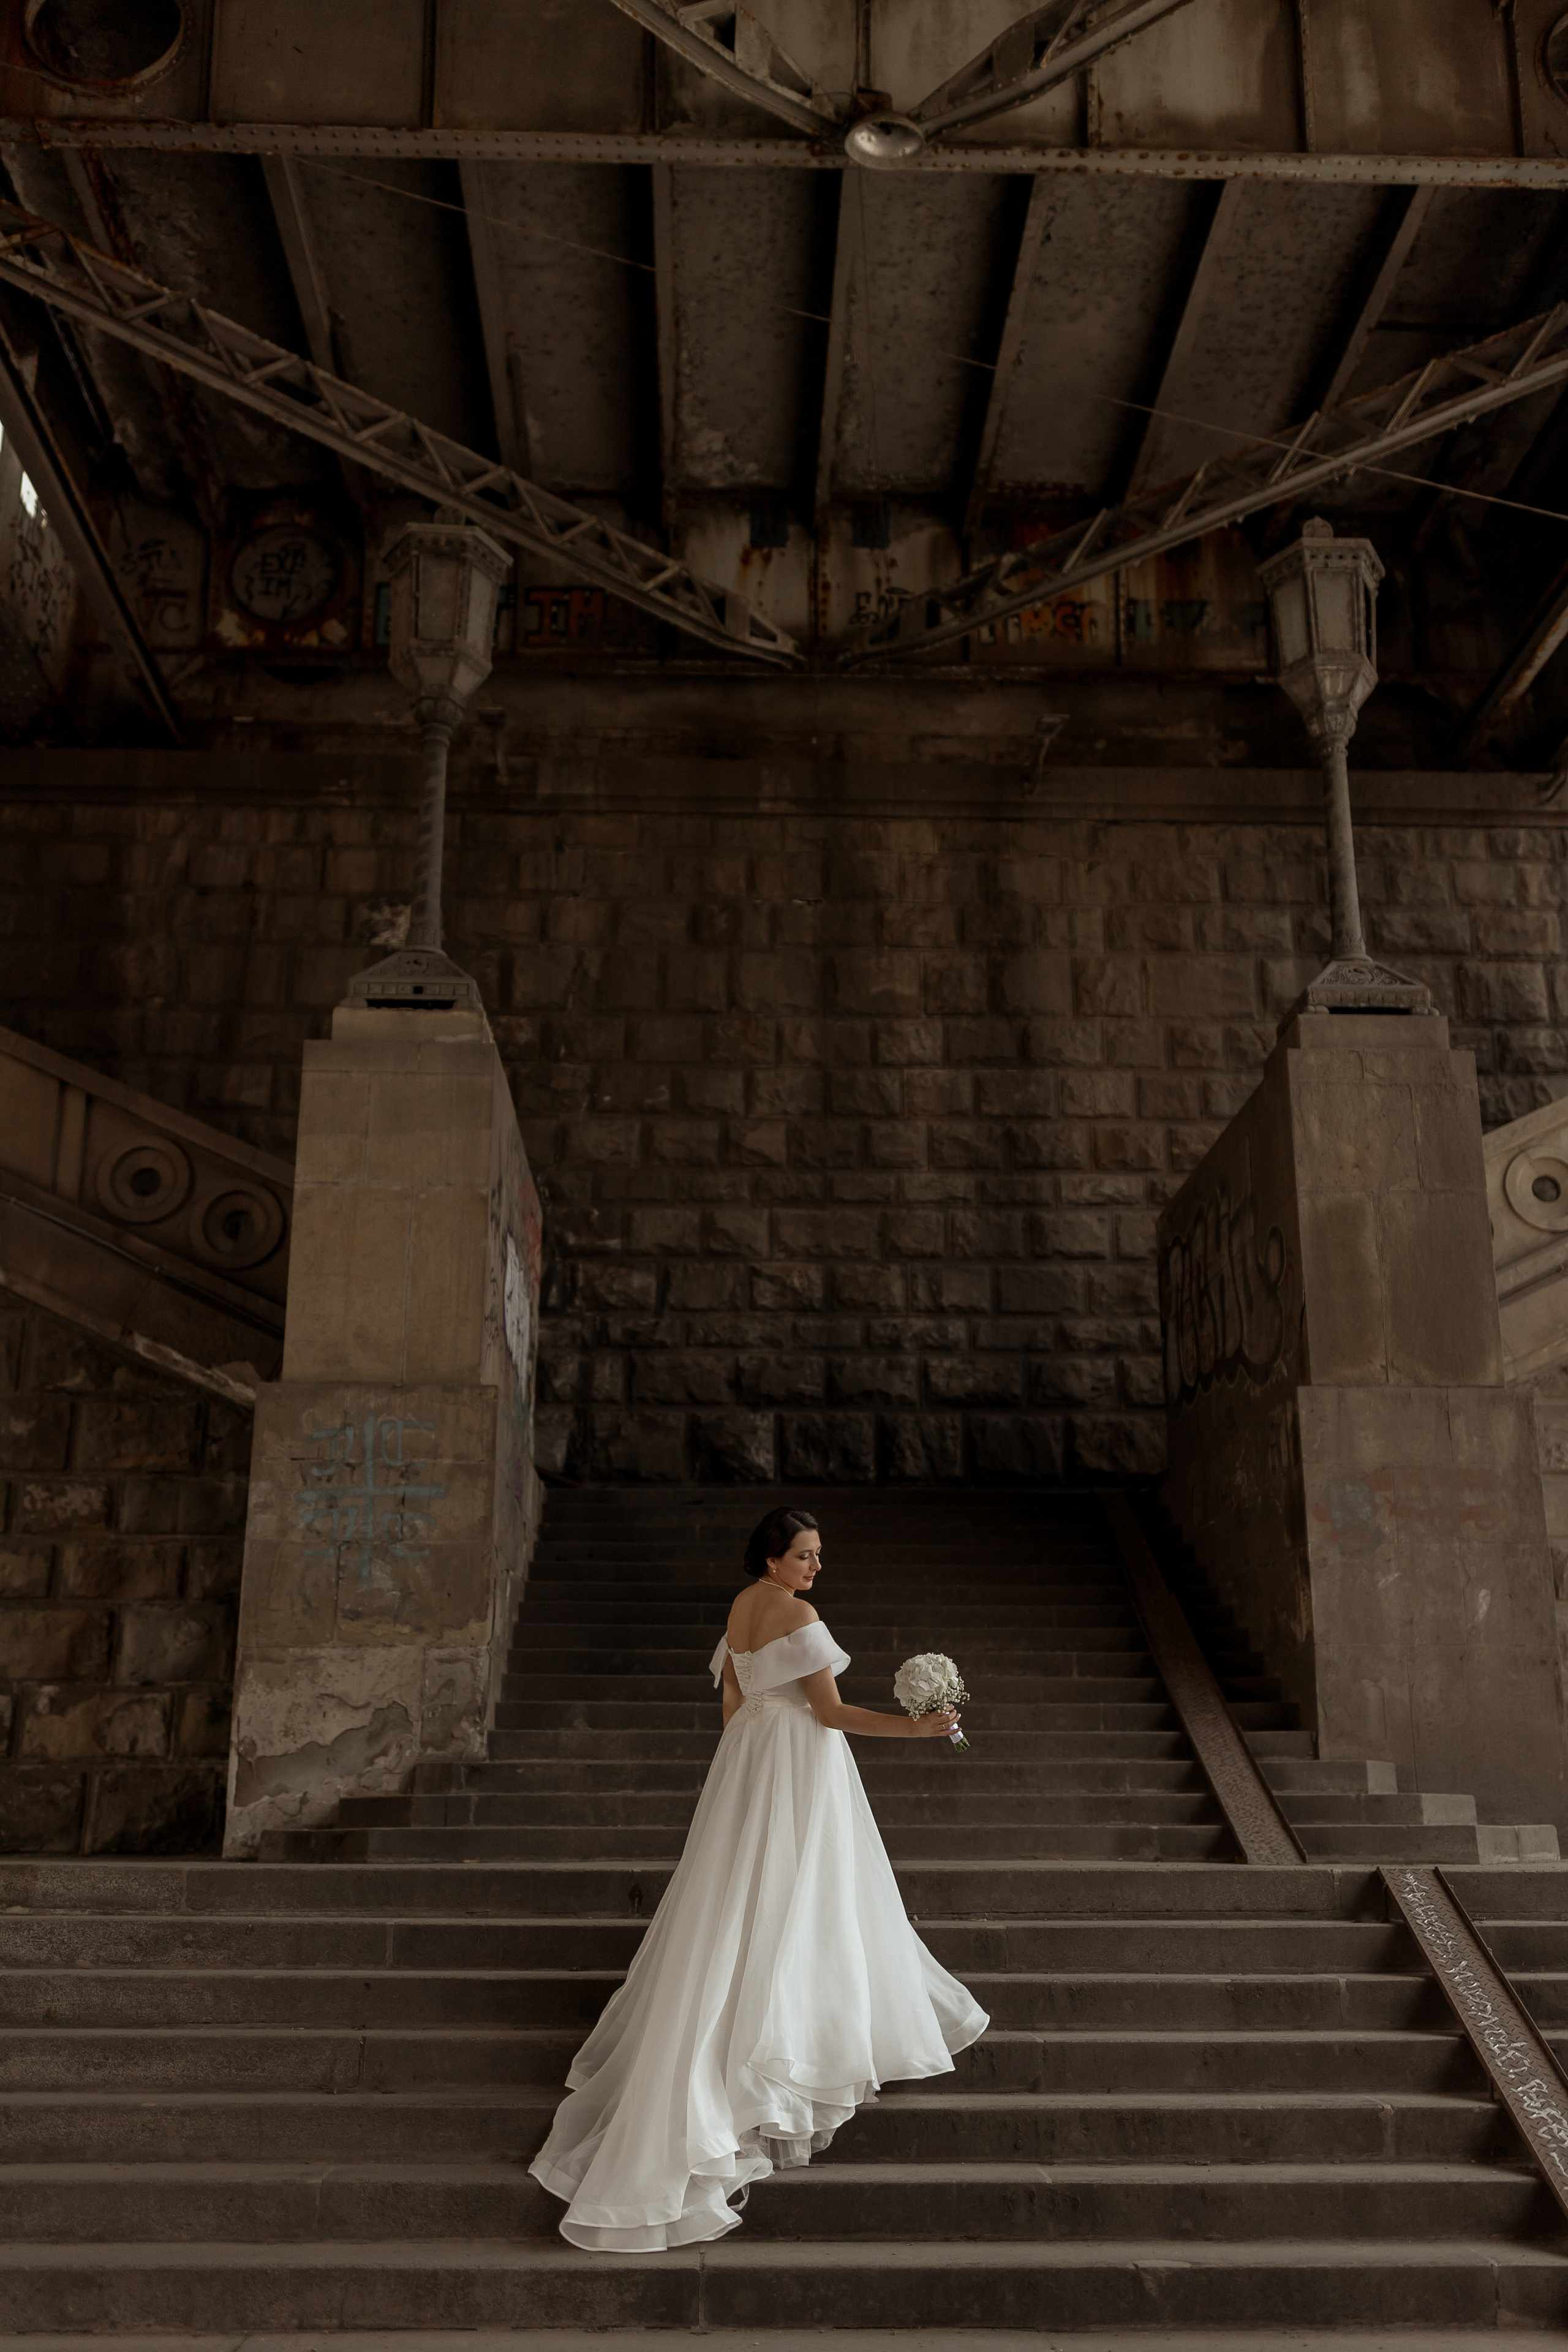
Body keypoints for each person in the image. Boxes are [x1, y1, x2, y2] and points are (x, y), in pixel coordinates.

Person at [529, 1504, 990, 2251]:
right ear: (772, 1559)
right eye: (804, 1555)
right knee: (807, 1892)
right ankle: (788, 2041)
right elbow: (833, 1714)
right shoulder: (796, 1614)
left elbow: (733, 1702)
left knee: (741, 1896)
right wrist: (916, 1728)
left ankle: (744, 2024)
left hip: (749, 1763)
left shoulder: (742, 1607)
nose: (815, 1568)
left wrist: (751, 1767)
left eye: (817, 1556)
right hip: (799, 1763)